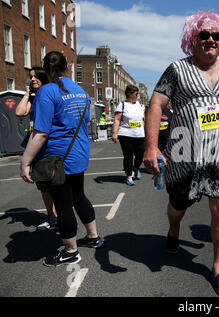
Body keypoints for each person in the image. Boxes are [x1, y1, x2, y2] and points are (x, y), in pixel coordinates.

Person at [143, 10, 219, 296]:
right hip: (184, 155)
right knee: (178, 207)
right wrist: (152, 147)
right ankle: (173, 230)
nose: (210, 40)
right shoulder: (177, 70)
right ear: (193, 38)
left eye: (216, 35)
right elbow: (155, 106)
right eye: (204, 34)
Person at [20, 51, 103, 267]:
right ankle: (93, 237)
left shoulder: (47, 92)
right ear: (67, 68)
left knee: (63, 204)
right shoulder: (81, 92)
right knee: (79, 197)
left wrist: (25, 162)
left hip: (57, 158)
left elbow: (41, 133)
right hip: (78, 154)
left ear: (46, 70)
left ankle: (70, 250)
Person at [16, 67, 58, 231]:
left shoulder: (49, 95)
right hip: (35, 144)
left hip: (49, 143)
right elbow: (19, 112)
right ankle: (52, 216)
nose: (32, 79)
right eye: (30, 77)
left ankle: (61, 215)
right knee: (43, 184)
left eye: (36, 76)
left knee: (56, 182)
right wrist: (27, 94)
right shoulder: (33, 98)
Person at [112, 85, 146, 186]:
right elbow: (117, 119)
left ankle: (136, 167)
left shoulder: (140, 105)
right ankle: (128, 176)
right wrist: (114, 133)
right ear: (130, 94)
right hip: (126, 134)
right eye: (136, 93)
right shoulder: (122, 105)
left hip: (139, 134)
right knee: (128, 156)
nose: (138, 95)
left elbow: (143, 120)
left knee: (140, 154)